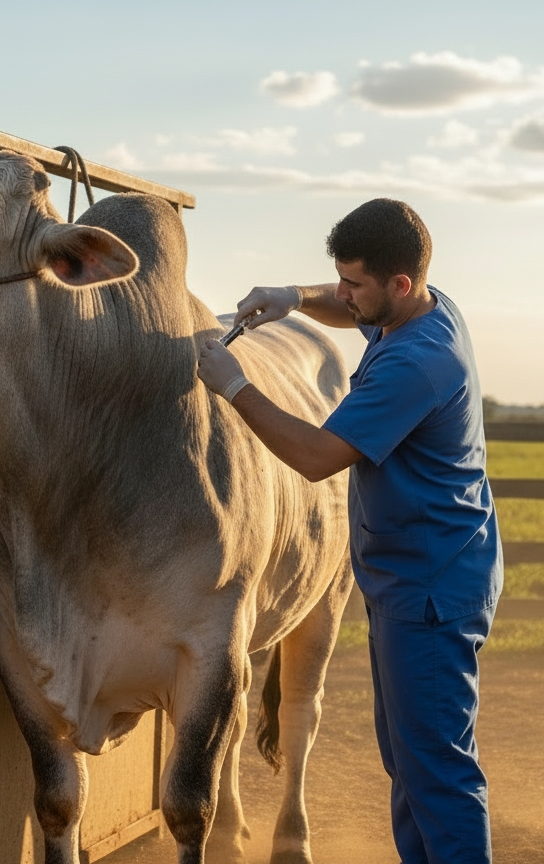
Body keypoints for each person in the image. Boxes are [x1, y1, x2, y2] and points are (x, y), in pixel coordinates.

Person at [196, 198, 502, 864]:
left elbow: (314, 459)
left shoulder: (415, 362)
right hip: (421, 573)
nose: (343, 295)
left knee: (436, 769)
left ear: (399, 283)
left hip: (429, 586)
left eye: (354, 282)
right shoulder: (423, 307)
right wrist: (294, 296)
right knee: (409, 758)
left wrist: (234, 386)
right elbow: (350, 309)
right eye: (340, 278)